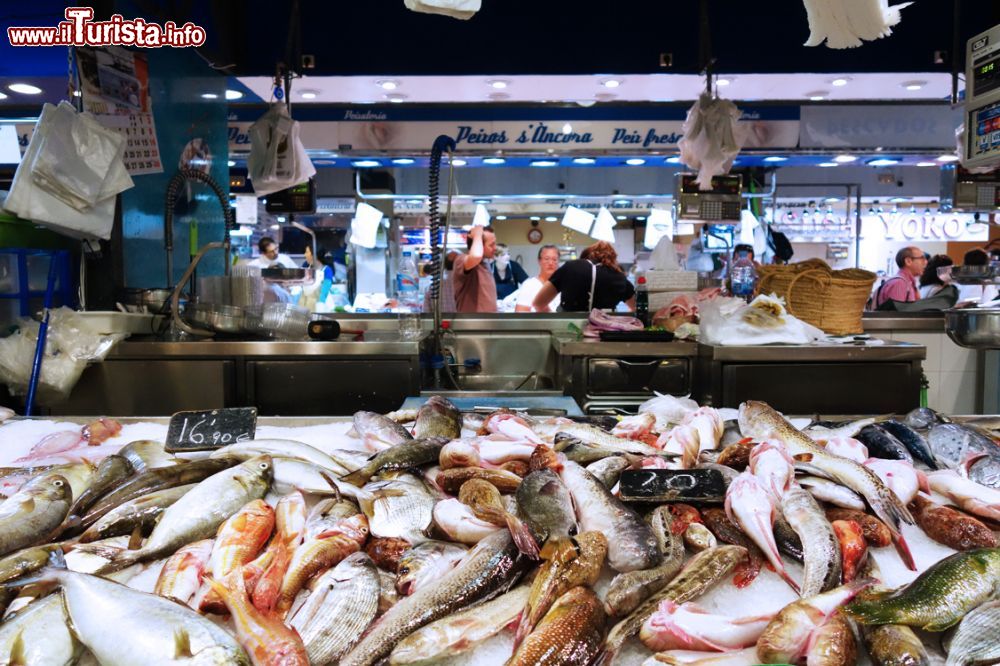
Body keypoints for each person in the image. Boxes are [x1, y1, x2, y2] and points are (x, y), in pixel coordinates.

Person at [533, 241, 635, 313]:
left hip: (568, 331)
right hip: (604, 335)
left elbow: (538, 303)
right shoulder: (619, 276)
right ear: (613, 259)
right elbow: (637, 309)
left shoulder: (570, 267)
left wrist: (555, 320)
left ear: (585, 256)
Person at [452, 225, 498, 313]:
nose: (495, 247)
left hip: (487, 324)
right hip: (471, 325)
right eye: (491, 245)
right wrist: (477, 234)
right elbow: (476, 256)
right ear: (479, 244)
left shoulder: (486, 263)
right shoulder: (461, 260)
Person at [515, 244, 562, 312]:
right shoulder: (529, 285)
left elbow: (572, 316)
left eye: (554, 259)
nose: (551, 263)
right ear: (539, 261)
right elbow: (520, 315)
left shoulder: (565, 286)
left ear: (558, 262)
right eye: (546, 259)